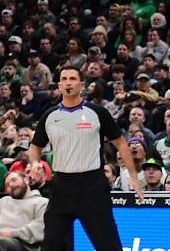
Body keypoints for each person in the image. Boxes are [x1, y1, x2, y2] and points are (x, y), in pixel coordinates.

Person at [28, 66, 142, 251]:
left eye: (73, 79)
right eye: (64, 79)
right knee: (51, 244)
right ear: (59, 85)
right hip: (61, 187)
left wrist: (134, 177)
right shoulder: (49, 116)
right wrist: (34, 163)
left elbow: (121, 144)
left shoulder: (97, 112)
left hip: (93, 187)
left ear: (81, 85)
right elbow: (35, 147)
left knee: (108, 245)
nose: (68, 82)